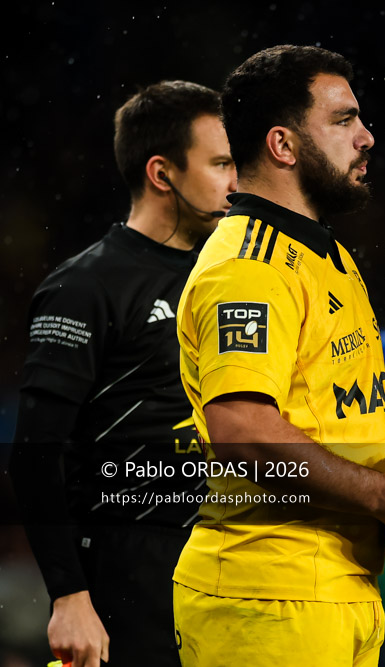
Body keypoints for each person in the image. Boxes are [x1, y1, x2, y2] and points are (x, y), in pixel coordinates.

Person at [171, 44, 385, 666]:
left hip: (338, 593)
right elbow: (241, 432)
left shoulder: (328, 256)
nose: (366, 137)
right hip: (268, 599)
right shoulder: (248, 269)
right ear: (283, 145)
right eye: (343, 120)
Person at [9, 80, 237, 667]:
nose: (236, 181)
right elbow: (35, 453)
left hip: (226, 560)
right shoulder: (84, 286)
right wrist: (68, 595)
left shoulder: (231, 278)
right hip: (127, 574)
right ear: (162, 173)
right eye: (220, 163)